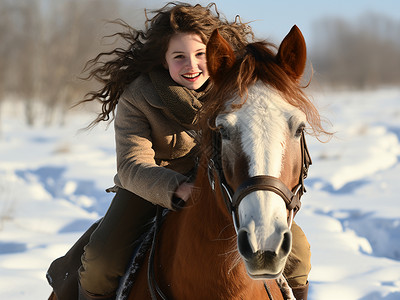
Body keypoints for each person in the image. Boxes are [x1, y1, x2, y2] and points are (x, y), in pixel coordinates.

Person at [52, 2, 310, 299]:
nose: (192, 65)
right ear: (164, 61)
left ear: (214, 56)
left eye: (201, 55)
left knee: (298, 252)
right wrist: (178, 188)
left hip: (222, 186)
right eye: (179, 57)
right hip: (150, 188)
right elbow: (132, 165)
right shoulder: (138, 97)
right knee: (101, 260)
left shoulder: (234, 91)